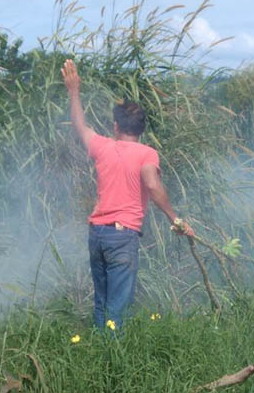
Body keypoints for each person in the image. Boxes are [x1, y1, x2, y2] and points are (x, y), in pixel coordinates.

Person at [61, 59, 194, 331]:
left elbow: (79, 125)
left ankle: (99, 355)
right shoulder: (147, 153)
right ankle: (112, 368)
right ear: (142, 129)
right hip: (122, 236)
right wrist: (174, 219)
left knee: (102, 302)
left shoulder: (102, 146)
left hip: (96, 233)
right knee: (117, 309)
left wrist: (74, 91)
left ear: (115, 127)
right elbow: (154, 186)